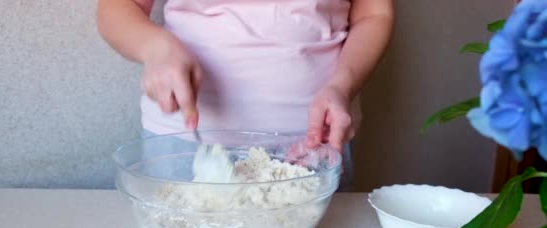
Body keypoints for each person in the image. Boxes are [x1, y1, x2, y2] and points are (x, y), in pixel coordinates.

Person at [97, 0, 393, 187]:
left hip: (314, 139)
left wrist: (342, 86)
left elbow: (374, 12)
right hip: (187, 143)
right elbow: (118, 6)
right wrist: (155, 47)